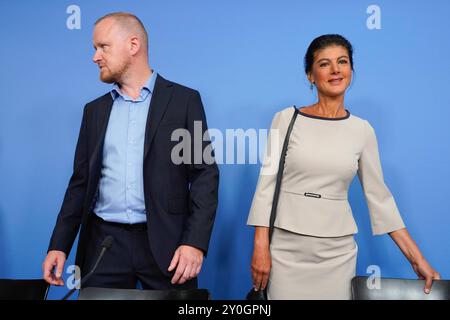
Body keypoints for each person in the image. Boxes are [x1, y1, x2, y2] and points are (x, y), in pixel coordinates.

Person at [247, 34, 440, 299]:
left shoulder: (362, 130)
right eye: (325, 64)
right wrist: (260, 246)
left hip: (336, 254)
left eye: (343, 61)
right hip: (286, 251)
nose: (336, 70)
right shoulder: (285, 119)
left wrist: (417, 259)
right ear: (310, 75)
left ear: (351, 69)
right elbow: (265, 188)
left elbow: (380, 200)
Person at [42, 12, 219, 290]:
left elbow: (203, 175)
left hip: (168, 246)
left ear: (133, 45)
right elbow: (80, 184)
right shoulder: (94, 111)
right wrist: (59, 246)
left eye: (103, 47)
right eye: (94, 48)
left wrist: (194, 242)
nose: (95, 57)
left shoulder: (184, 101)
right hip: (104, 246)